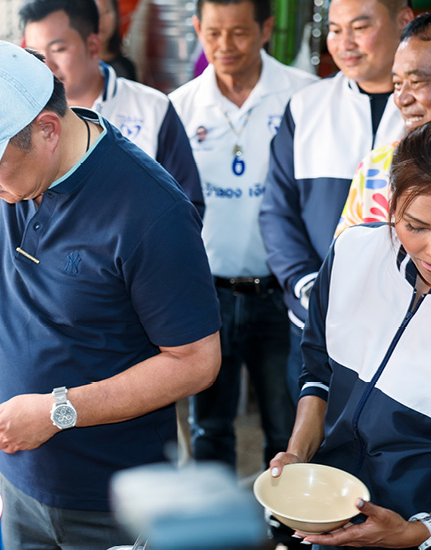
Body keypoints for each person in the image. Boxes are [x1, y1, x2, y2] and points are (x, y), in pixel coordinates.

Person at [0, 40, 222, 550]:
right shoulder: (10, 172)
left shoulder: (152, 212)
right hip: (16, 474)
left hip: (110, 497)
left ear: (47, 130)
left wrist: (56, 411)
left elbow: (196, 361)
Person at [169, 0, 317, 471]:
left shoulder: (304, 96)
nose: (224, 46)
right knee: (208, 427)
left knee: (286, 424)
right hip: (205, 295)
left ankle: (287, 532)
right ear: (196, 28)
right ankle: (213, 532)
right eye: (212, 33)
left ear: (267, 27)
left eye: (238, 33)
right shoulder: (180, 106)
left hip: (283, 295)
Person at [268, 122, 431, 550]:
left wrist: (414, 532)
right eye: (416, 226)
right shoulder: (352, 253)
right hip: (328, 517)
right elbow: (317, 368)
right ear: (392, 204)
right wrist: (299, 454)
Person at [258, 0, 413, 404]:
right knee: (306, 445)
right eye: (335, 28)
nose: (344, 43)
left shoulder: (421, 112)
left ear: (405, 20)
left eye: (360, 27)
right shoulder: (307, 106)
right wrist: (309, 287)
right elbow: (277, 210)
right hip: (315, 322)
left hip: (407, 328)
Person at [20, 0, 206, 218]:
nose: (47, 65)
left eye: (58, 49)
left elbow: (187, 205)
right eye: (35, 53)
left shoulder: (153, 108)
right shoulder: (24, 119)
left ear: (93, 45)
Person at [335, 12, 431, 237]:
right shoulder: (376, 167)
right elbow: (346, 262)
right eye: (397, 84)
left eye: (416, 82)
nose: (402, 98)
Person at [96, 0, 137, 81]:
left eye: (106, 11)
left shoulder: (125, 68)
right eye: (93, 11)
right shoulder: (72, 66)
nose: (100, 19)